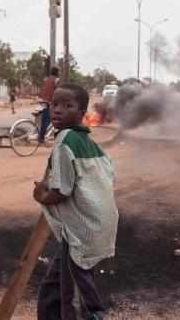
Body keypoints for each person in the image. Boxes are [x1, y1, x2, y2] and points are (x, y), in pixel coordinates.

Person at [34, 83, 118, 320]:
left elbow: (61, 191)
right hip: (95, 225)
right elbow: (110, 176)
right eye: (55, 104)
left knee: (79, 303)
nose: (58, 110)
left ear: (82, 114)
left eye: (67, 106)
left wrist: (41, 196)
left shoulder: (64, 140)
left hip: (80, 233)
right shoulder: (93, 145)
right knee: (52, 289)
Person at [39, 66, 60, 144]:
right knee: (47, 120)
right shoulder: (56, 80)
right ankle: (41, 138)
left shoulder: (46, 79)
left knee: (47, 119)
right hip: (49, 103)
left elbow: (42, 90)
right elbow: (58, 92)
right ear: (57, 72)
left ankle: (43, 135)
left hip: (43, 101)